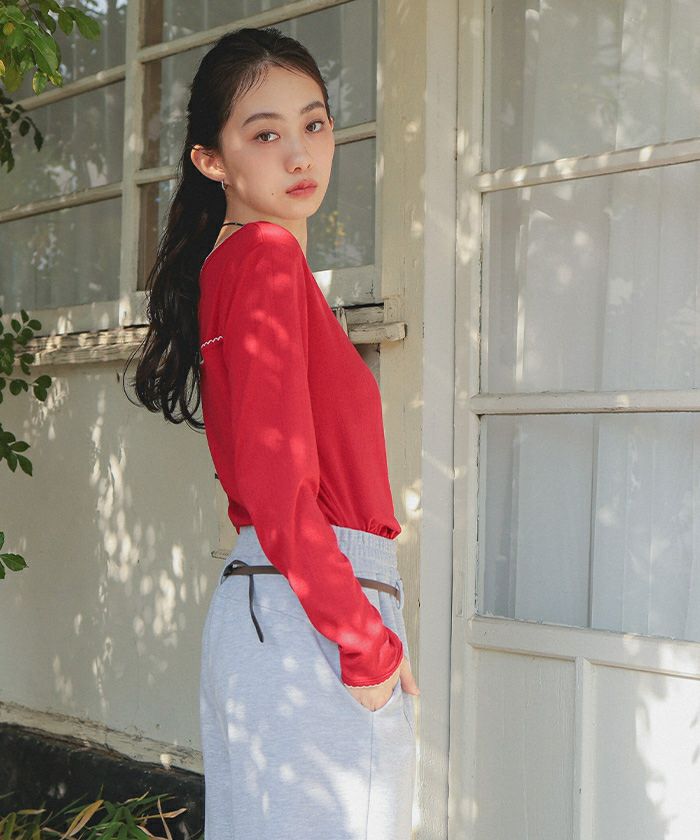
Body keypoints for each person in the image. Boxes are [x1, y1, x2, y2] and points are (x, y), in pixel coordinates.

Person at [127, 25, 419, 840]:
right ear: (211, 160)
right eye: (265, 134)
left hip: (284, 605)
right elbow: (277, 480)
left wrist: (371, 625)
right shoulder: (263, 257)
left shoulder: (237, 265)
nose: (300, 153)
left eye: (314, 124)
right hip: (311, 609)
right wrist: (363, 638)